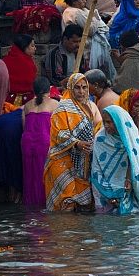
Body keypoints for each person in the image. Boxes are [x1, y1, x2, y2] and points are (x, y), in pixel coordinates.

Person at [44, 73, 103, 212]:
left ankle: (78, 233)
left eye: (84, 87)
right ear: (70, 88)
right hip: (61, 160)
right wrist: (77, 143)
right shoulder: (62, 108)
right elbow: (58, 133)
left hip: (83, 162)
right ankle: (63, 233)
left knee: (82, 206)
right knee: (66, 204)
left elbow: (99, 127)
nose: (81, 92)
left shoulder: (90, 107)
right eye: (77, 88)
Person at [20, 76, 57, 208]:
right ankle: (44, 204)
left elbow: (24, 126)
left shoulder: (27, 105)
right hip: (44, 141)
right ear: (49, 90)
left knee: (30, 175)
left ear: (33, 90)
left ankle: (31, 205)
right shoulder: (55, 104)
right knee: (44, 174)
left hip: (27, 142)